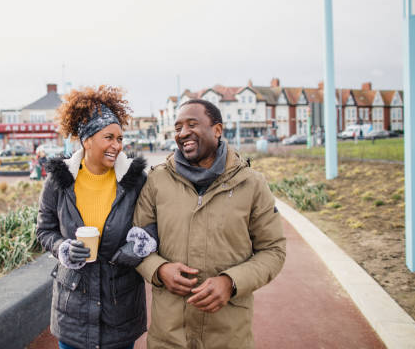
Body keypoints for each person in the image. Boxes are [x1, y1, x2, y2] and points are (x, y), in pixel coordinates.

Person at [133, 99, 286, 349]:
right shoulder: (157, 180)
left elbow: (274, 250)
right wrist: (159, 270)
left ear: (217, 130)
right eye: (178, 127)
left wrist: (231, 282)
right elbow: (136, 242)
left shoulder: (252, 184)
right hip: (169, 336)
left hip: (228, 336)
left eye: (192, 124)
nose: (183, 133)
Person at [36, 85, 155, 349]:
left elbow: (153, 223)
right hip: (72, 308)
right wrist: (62, 247)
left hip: (121, 305)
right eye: (109, 137)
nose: (117, 145)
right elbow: (45, 230)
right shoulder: (59, 181)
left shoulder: (135, 181)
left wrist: (140, 242)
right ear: (87, 140)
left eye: (120, 138)